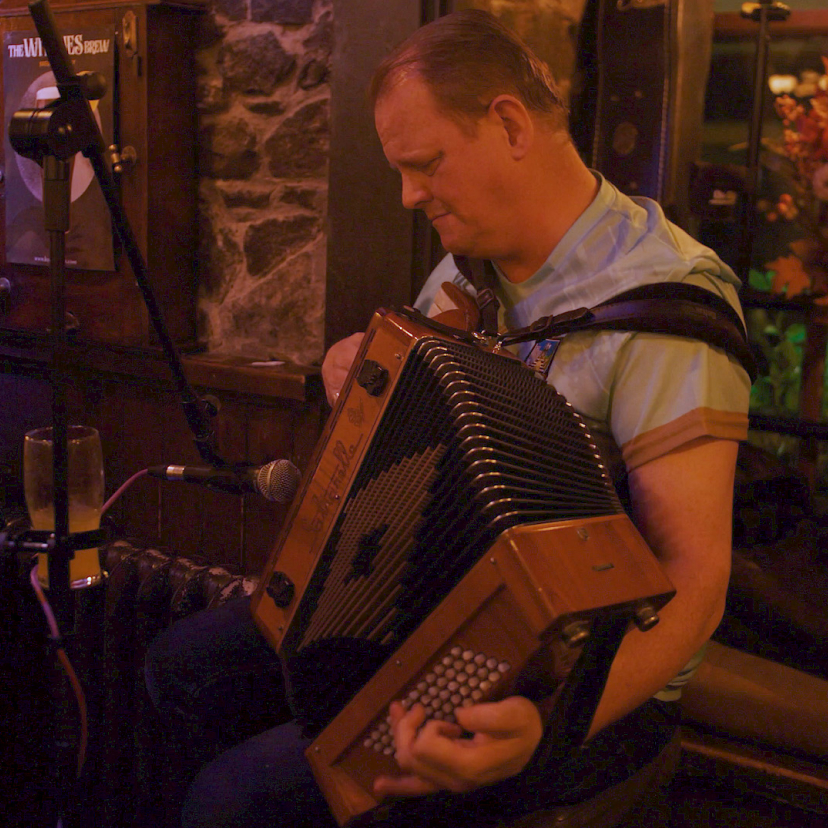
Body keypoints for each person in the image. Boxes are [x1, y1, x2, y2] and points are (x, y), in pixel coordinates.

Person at [145, 10, 750, 828]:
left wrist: (547, 725)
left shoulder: (663, 304)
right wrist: (356, 376)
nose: (407, 195)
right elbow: (421, 419)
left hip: (576, 680)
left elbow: (697, 583)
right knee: (181, 666)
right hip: (434, 612)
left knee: (228, 803)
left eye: (424, 164)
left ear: (507, 124)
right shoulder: (472, 260)